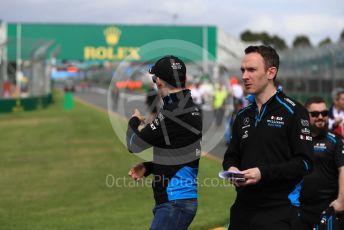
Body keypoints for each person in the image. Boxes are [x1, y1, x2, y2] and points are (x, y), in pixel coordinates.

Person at [222, 45, 313, 230]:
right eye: (243, 70)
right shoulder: (242, 115)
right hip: (242, 209)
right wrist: (231, 168)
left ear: (271, 72)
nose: (244, 76)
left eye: (252, 70)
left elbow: (305, 163)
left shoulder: (294, 111)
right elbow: (231, 154)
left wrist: (263, 173)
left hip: (279, 210)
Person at [126, 55, 202, 230]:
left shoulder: (172, 113)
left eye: (154, 79)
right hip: (179, 201)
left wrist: (134, 121)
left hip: (174, 203)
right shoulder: (190, 108)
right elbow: (181, 155)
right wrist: (149, 167)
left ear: (159, 82)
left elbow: (133, 143)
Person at [297, 96, 344, 230]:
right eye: (315, 114)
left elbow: (343, 170)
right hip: (301, 208)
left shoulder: (336, 140)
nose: (320, 117)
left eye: (324, 113)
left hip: (328, 208)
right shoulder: (298, 140)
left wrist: (341, 201)